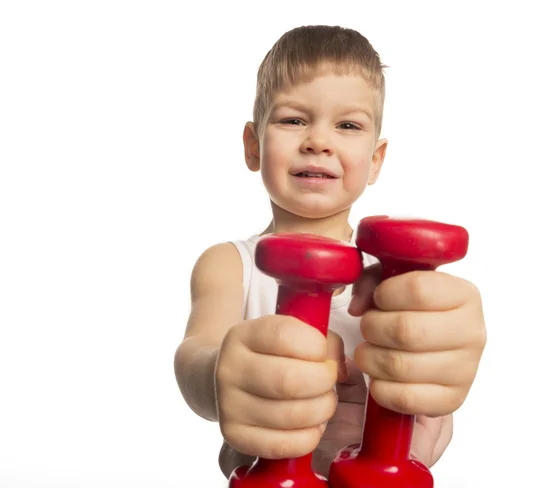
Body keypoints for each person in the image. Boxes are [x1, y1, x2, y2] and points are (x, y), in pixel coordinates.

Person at [173, 24, 486, 479]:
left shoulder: (394, 279)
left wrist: (443, 358)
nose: (319, 140)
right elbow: (194, 353)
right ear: (253, 145)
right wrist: (220, 374)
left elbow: (432, 372)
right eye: (293, 119)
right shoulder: (229, 263)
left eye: (347, 125)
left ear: (375, 160)